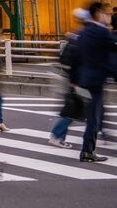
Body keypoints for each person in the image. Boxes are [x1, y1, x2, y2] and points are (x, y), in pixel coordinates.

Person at [77, 2, 116, 163]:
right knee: (94, 117)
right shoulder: (101, 32)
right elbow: (112, 56)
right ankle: (87, 151)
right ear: (98, 13)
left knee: (94, 115)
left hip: (85, 78)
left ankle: (87, 150)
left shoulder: (84, 33)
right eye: (104, 12)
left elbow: (78, 57)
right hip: (96, 79)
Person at [49, 8, 89, 148]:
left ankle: (59, 136)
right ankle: (56, 135)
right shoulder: (80, 38)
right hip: (74, 79)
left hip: (70, 77)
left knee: (73, 107)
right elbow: (77, 61)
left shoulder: (75, 36)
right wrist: (74, 81)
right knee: (73, 108)